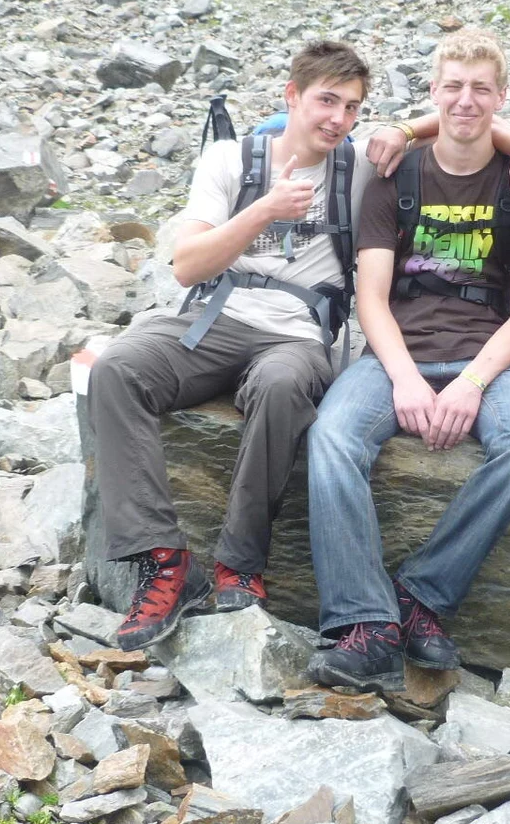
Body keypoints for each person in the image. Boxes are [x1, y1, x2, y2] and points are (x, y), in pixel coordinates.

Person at [88, 40, 374, 649]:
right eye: (327, 101)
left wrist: (408, 129)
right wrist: (264, 210)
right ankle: (164, 562)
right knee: (117, 369)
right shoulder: (230, 159)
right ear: (291, 96)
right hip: (214, 317)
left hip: (297, 331)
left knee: (281, 385)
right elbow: (187, 266)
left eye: (352, 108)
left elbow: (458, 126)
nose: (338, 119)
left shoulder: (360, 169)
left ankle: (239, 564)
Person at [305, 28, 510, 691]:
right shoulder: (395, 175)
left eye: (480, 89)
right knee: (332, 437)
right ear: (433, 92)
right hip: (399, 351)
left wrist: (472, 383)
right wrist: (406, 380)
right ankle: (365, 623)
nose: (465, 101)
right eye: (453, 87)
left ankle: (422, 594)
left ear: (502, 96)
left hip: (487, 356)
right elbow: (371, 298)